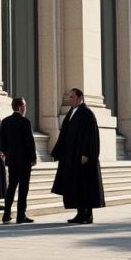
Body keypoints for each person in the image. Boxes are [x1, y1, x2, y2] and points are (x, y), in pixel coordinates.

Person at [51, 88, 105, 224]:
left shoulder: (87, 114)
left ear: (80, 98)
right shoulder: (71, 113)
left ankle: (88, 215)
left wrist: (87, 154)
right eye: (69, 97)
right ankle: (80, 214)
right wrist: (57, 152)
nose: (70, 99)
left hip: (82, 158)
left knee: (85, 187)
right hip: (71, 157)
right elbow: (64, 135)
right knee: (76, 187)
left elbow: (91, 136)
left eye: (72, 97)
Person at [1, 97, 37, 224]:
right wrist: (33, 157)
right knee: (23, 188)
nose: (26, 108)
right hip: (24, 161)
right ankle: (20, 215)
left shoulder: (5, 122)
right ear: (20, 106)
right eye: (25, 105)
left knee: (11, 187)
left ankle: (6, 214)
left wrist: (6, 153)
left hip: (11, 160)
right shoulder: (24, 122)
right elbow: (29, 142)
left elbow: (2, 142)